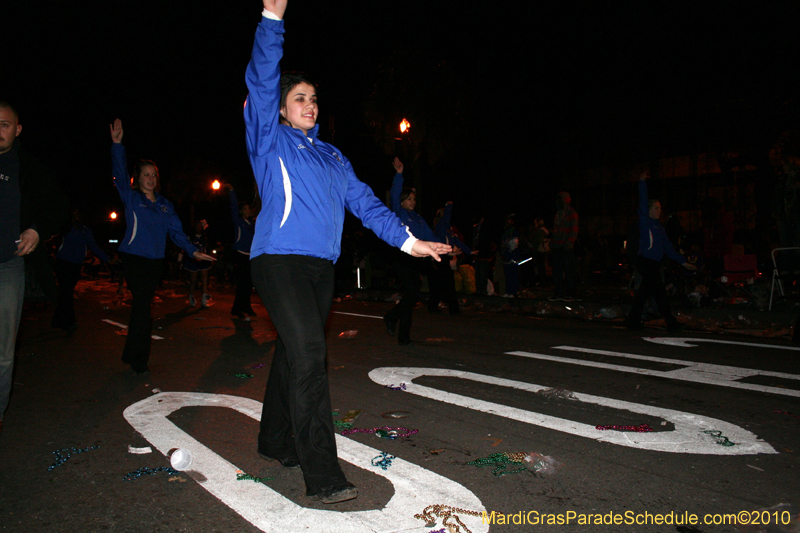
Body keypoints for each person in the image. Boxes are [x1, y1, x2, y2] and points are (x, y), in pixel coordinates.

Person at [244, 0, 450, 505]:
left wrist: (409, 240)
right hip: (278, 260)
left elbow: (367, 205)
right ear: (280, 107)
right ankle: (323, 474)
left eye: (313, 98)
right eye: (298, 98)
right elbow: (261, 80)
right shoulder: (269, 141)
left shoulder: (334, 156)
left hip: (320, 269)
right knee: (312, 355)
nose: (309, 105)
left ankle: (273, 439)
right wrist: (272, 21)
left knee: (296, 352)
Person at [110, 119, 215, 375]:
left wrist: (193, 250)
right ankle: (139, 359)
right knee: (143, 306)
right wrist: (117, 144)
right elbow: (120, 173)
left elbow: (177, 234)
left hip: (154, 262)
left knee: (141, 307)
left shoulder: (166, 206)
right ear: (138, 178)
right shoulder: (132, 198)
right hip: (134, 259)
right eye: (146, 174)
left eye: (154, 175)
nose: (150, 178)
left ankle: (131, 353)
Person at [0, 101, 68, 432]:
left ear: (17, 129)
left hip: (7, 266)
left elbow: (56, 205)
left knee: (3, 350)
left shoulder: (28, 168)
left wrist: (36, 230)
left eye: (4, 125)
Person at [383, 157, 443, 344]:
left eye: (414, 199)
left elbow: (430, 236)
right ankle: (392, 319)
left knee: (412, 295)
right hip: (401, 257)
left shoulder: (417, 218)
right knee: (412, 293)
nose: (413, 202)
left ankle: (403, 335)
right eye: (409, 199)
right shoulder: (398, 213)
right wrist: (399, 174)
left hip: (416, 259)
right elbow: (394, 195)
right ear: (402, 201)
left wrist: (446, 248)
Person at [627, 171, 696, 332]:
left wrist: (684, 262)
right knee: (659, 291)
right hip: (645, 261)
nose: (660, 210)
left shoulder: (660, 228)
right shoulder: (646, 223)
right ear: (650, 210)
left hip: (654, 264)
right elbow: (643, 202)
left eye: (660, 208)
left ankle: (633, 320)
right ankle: (671, 322)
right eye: (656, 208)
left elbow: (669, 248)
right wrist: (642, 182)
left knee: (644, 292)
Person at [51, 208, 110, 332]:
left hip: (76, 265)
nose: (75, 216)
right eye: (73, 213)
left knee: (66, 292)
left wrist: (107, 259)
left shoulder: (85, 231)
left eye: (77, 214)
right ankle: (69, 322)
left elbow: (93, 246)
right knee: (66, 292)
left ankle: (57, 320)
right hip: (63, 263)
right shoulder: (64, 228)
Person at [429, 201, 475, 314]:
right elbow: (446, 218)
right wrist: (449, 206)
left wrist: (469, 251)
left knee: (442, 284)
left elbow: (457, 241)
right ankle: (453, 310)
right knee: (447, 283)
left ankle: (435, 307)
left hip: (445, 257)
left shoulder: (448, 230)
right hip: (439, 257)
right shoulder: (440, 227)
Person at [226, 184, 257, 319]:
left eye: (248, 208)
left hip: (250, 256)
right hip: (239, 254)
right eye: (244, 209)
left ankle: (246, 306)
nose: (247, 210)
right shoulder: (239, 221)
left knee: (248, 283)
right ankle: (236, 309)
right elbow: (233, 207)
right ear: (241, 211)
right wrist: (232, 191)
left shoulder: (252, 224)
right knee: (242, 283)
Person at [550, 191, 579, 301]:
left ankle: (570, 293)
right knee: (557, 272)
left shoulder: (571, 213)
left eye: (560, 200)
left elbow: (574, 230)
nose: (557, 203)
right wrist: (553, 242)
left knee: (568, 271)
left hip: (565, 247)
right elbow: (555, 230)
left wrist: (569, 242)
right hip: (557, 247)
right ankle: (559, 293)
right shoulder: (558, 214)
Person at [184, 220, 213, 308]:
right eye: (197, 226)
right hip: (193, 259)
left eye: (200, 226)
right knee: (193, 280)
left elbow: (207, 248)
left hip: (203, 259)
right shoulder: (190, 237)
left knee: (204, 279)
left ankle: (204, 299)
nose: (198, 228)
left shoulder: (205, 237)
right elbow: (187, 248)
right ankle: (191, 297)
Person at [500, 214, 520, 297]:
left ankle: (513, 292)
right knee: (507, 275)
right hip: (506, 256)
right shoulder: (506, 231)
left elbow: (514, 243)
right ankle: (508, 291)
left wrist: (510, 251)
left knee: (513, 275)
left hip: (512, 256)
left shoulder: (513, 231)